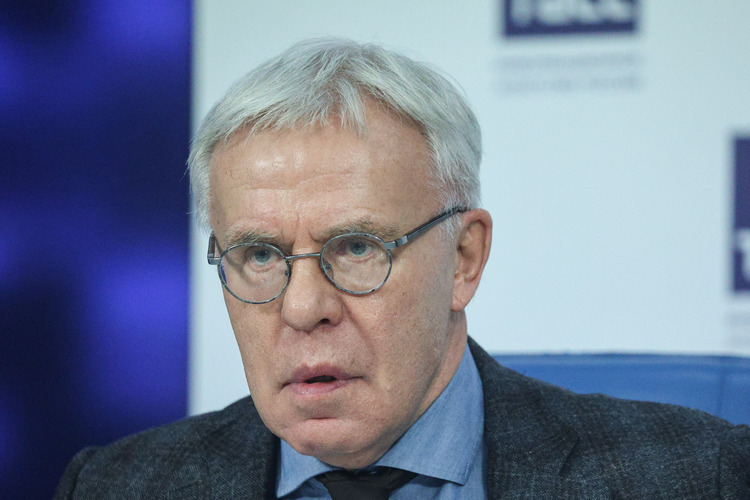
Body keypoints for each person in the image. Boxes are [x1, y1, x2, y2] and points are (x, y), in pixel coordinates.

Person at [56, 38, 749, 499]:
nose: (303, 308)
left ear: (464, 259)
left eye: (357, 247)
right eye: (260, 255)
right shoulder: (115, 486)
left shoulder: (699, 477)